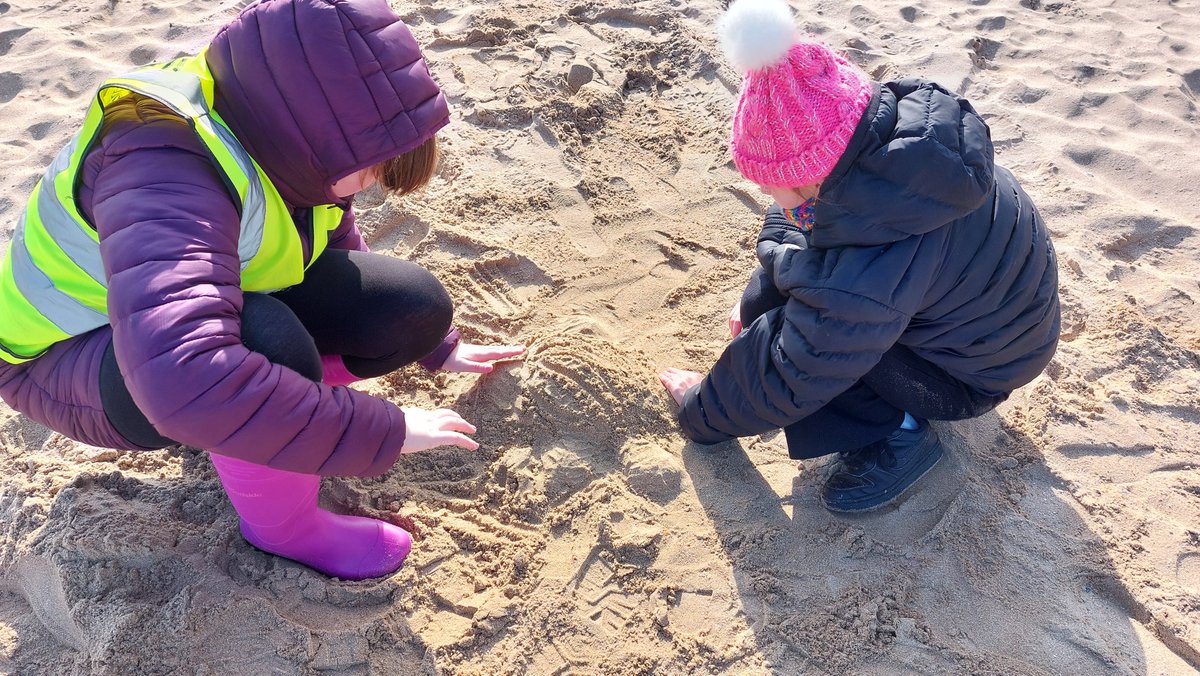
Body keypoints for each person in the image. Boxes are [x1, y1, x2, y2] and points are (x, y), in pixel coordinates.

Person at [0, 0, 523, 580]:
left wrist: (435, 344)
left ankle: (267, 421)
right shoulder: (161, 161)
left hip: (164, 321)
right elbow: (182, 379)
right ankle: (285, 528)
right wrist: (384, 429)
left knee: (410, 307)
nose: (373, 182)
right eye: (372, 167)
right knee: (268, 344)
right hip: (66, 359)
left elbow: (321, 235)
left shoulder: (278, 122)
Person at [659, 0, 1060, 513]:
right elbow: (809, 230)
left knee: (827, 345)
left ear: (807, 178)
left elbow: (796, 371)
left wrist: (700, 408)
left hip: (970, 376)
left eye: (768, 184)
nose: (764, 193)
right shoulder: (904, 153)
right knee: (796, 289)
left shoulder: (873, 258)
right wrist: (760, 297)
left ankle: (902, 434)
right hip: (1001, 326)